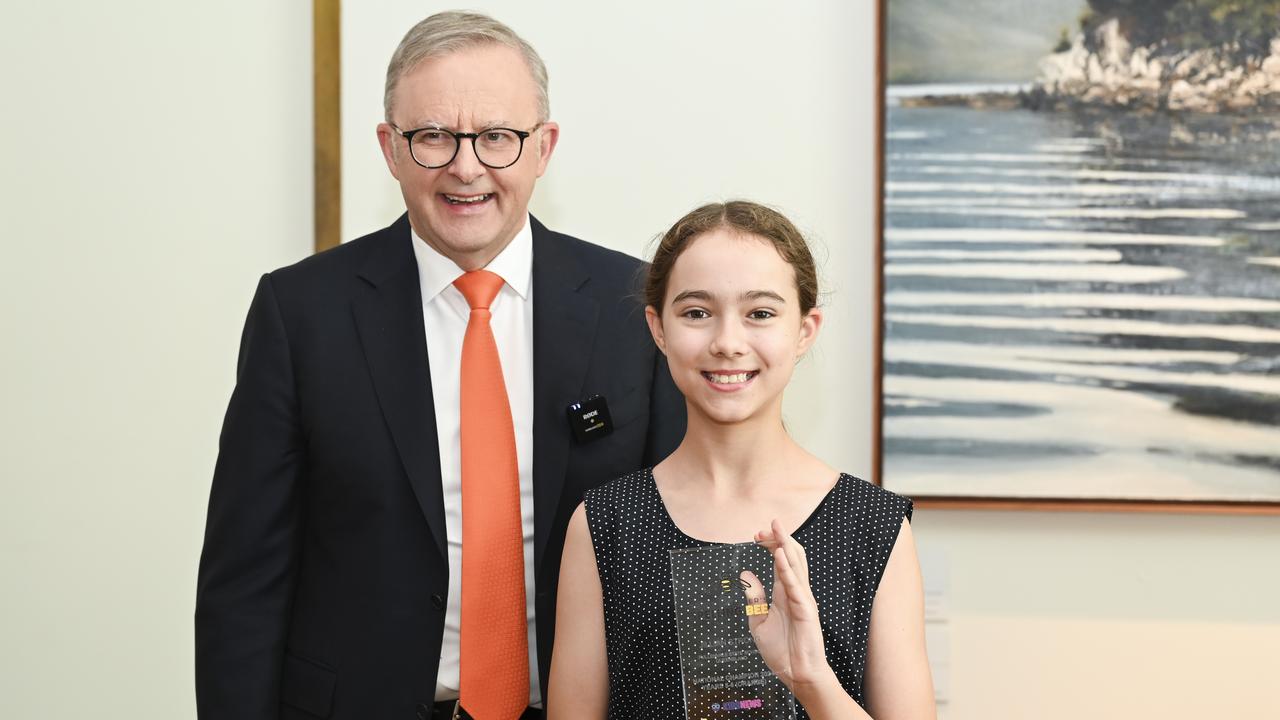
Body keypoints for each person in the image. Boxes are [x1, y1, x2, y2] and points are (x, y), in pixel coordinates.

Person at [195, 11, 684, 720]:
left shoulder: (633, 308)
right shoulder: (300, 314)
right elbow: (244, 582)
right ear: (390, 149)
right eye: (433, 137)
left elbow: (681, 550)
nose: (465, 167)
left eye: (497, 137)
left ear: (543, 148)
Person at [547, 201, 935, 719]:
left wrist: (812, 678)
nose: (728, 343)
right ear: (658, 328)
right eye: (696, 313)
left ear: (805, 329)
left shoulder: (872, 525)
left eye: (761, 314)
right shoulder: (604, 523)